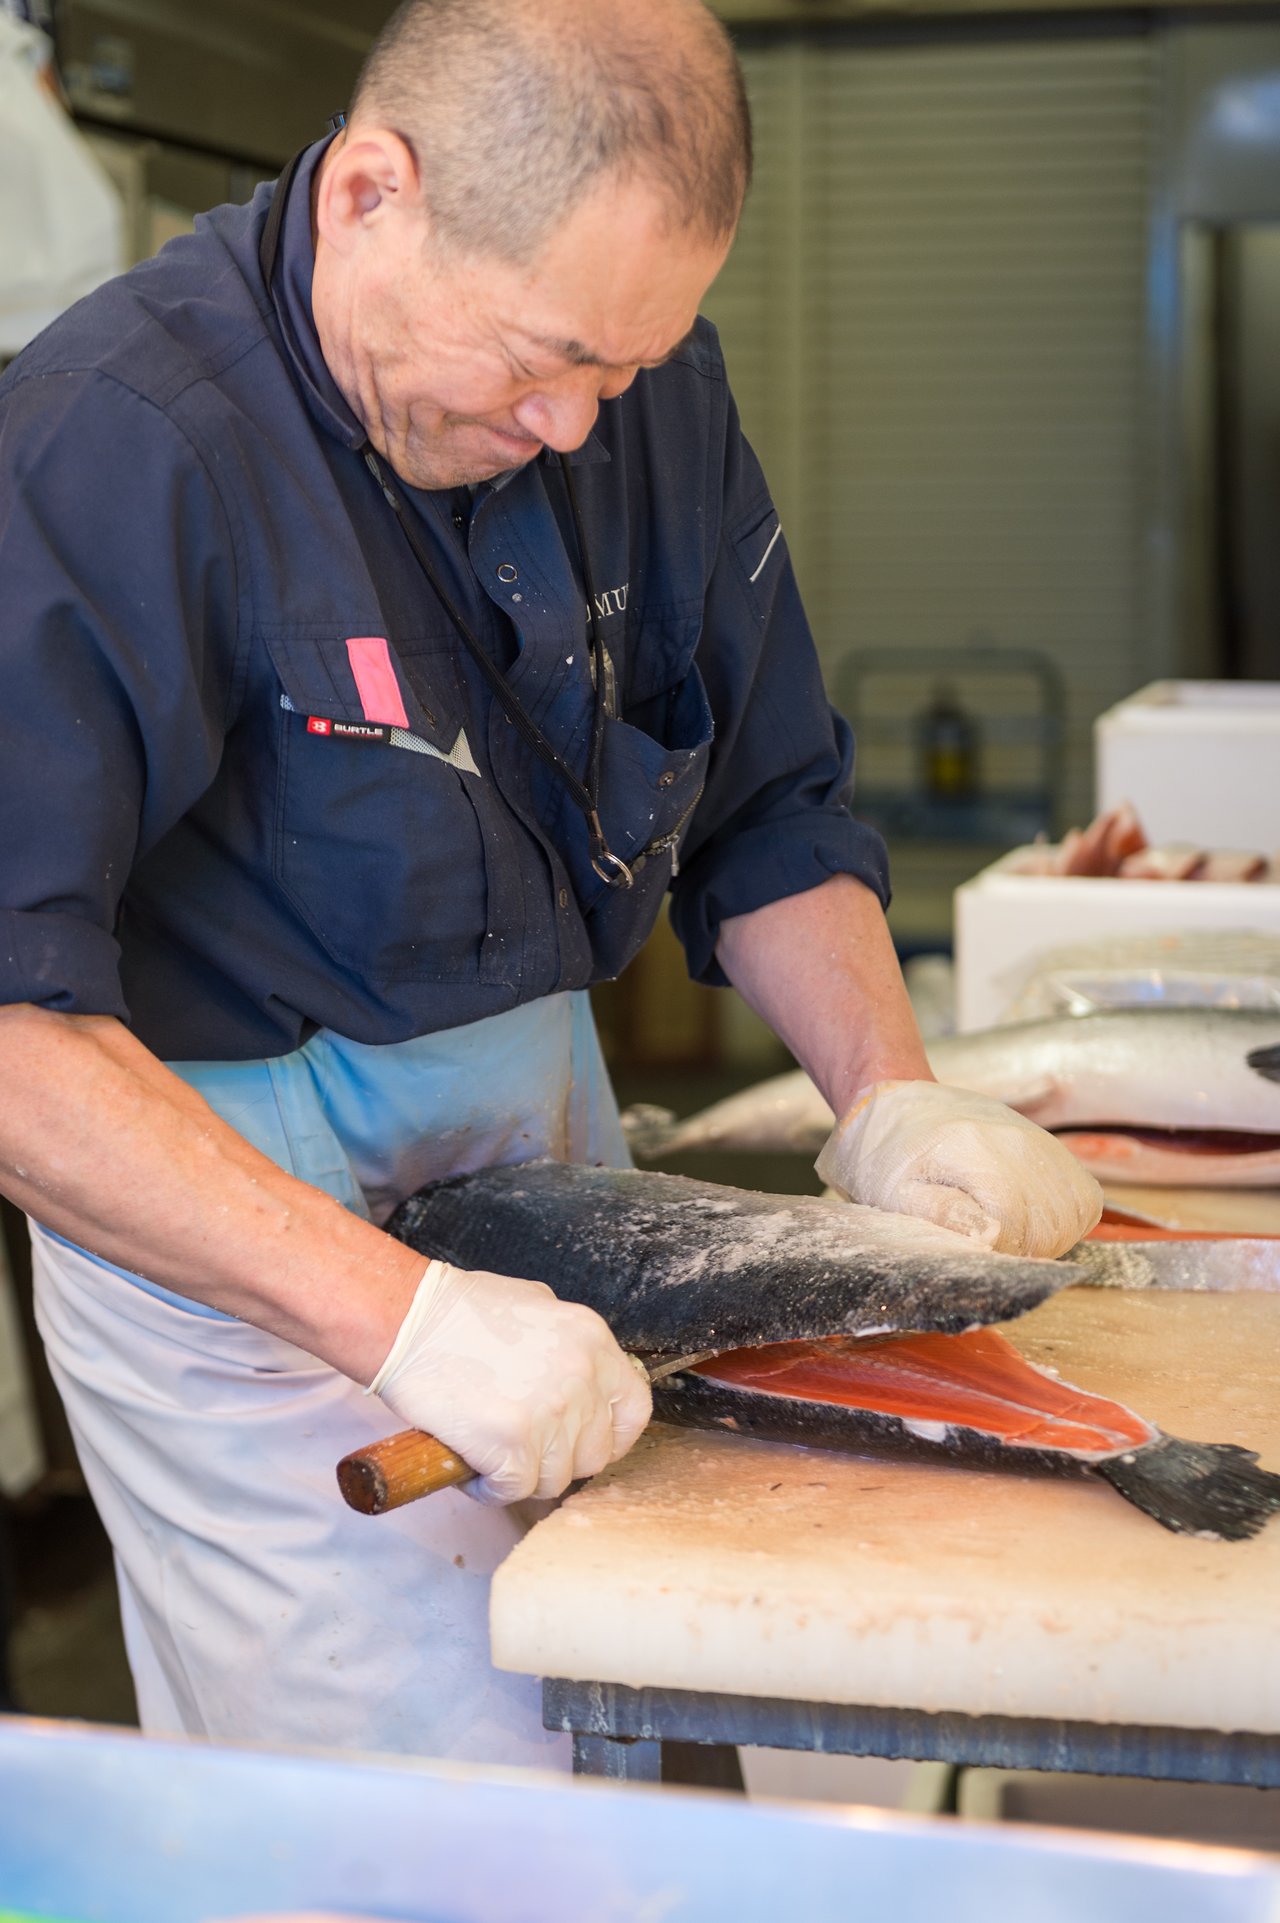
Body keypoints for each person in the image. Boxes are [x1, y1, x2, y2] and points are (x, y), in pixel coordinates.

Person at [0, 0, 1100, 1767]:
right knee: (423, 1814)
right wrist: (405, 1319)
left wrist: (895, 1100)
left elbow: (769, 808)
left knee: (645, 1729)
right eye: (542, 360)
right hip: (238, 1230)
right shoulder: (109, 444)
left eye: (624, 370)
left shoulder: (632, 385)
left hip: (544, 1123)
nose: (580, 428)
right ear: (373, 192)